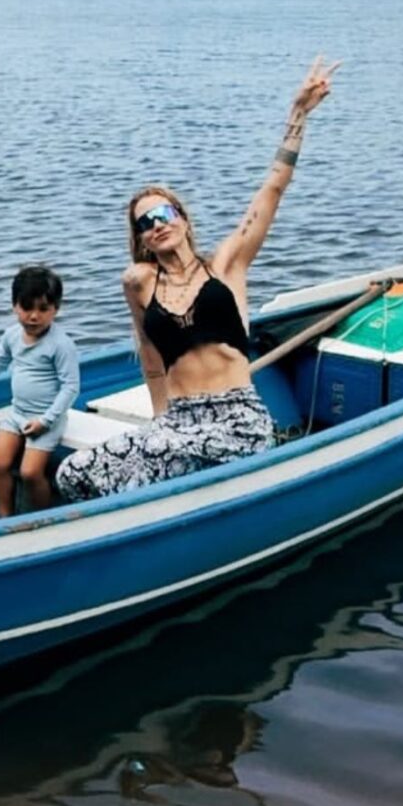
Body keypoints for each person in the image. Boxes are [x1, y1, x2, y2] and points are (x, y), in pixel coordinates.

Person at [56, 56, 339, 502]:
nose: (156, 224)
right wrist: (159, 421)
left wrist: (298, 114)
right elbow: (151, 360)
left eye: (163, 213)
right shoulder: (141, 285)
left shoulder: (227, 265)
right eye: (145, 222)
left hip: (237, 421)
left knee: (146, 469)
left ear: (183, 219)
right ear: (142, 239)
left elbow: (272, 189)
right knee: (73, 472)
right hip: (178, 422)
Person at [0, 264, 80, 516]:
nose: (34, 316)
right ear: (15, 306)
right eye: (27, 308)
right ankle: (4, 518)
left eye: (43, 309)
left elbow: (71, 387)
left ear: (55, 309)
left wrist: (46, 421)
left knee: (30, 472)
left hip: (47, 418)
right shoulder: (12, 336)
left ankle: (43, 518)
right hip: (17, 413)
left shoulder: (60, 344)